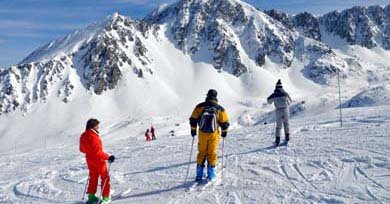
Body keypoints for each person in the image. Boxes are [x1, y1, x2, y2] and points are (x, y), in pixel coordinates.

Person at [189, 89, 229, 182]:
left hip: (202, 133)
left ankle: (199, 174)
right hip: (213, 134)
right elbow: (225, 123)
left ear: (207, 96)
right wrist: (224, 132)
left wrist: (193, 130)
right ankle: (211, 175)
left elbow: (193, 119)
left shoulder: (200, 106)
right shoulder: (220, 109)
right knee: (212, 153)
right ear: (216, 97)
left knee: (202, 152)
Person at [79, 119, 115, 204]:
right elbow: (98, 153)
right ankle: (106, 197)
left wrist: (89, 152)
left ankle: (91, 197)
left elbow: (81, 149)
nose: (98, 127)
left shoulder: (83, 135)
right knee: (105, 177)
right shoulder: (93, 136)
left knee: (93, 177)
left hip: (89, 159)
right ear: (93, 126)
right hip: (98, 160)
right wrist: (108, 156)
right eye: (97, 125)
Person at [267, 80, 292, 146]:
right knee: (286, 124)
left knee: (278, 126)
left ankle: (277, 140)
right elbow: (290, 101)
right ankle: (287, 137)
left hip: (278, 111)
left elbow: (269, 101)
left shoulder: (274, 94)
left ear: (276, 87)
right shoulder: (285, 93)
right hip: (286, 109)